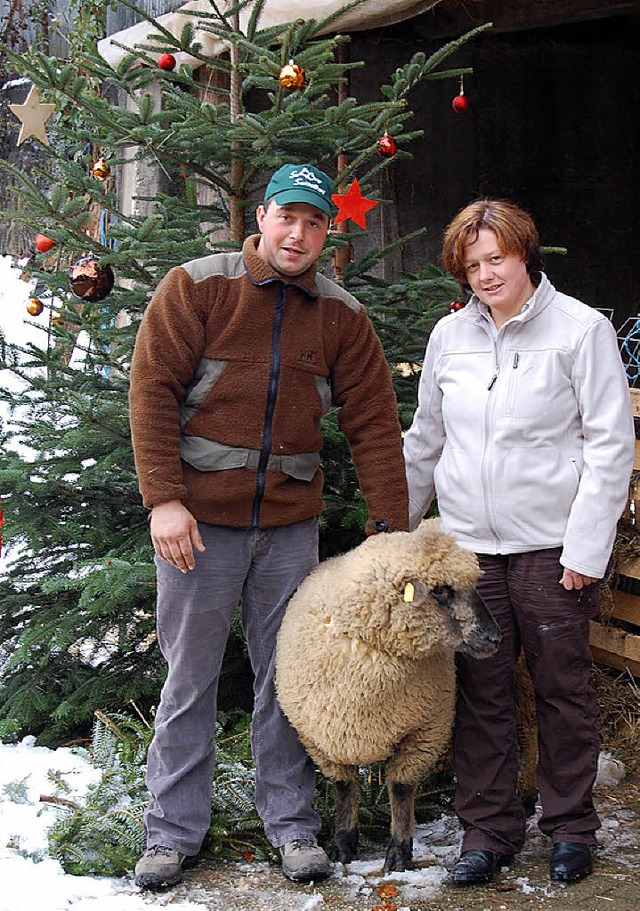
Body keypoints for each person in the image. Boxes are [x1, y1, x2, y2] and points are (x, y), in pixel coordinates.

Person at [128, 163, 409, 889]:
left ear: (327, 234)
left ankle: (292, 826)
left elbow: (375, 421)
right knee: (189, 679)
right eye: (289, 217)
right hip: (197, 528)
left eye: (315, 222)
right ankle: (171, 833)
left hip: (289, 530)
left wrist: (389, 529)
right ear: (262, 217)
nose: (299, 233)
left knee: (287, 679)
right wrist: (164, 498)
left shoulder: (341, 314)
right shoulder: (198, 287)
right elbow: (152, 389)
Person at [403, 198, 634, 886]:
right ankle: (488, 831)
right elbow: (425, 437)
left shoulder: (580, 330)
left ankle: (570, 827)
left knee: (562, 686)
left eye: (495, 258)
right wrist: (396, 530)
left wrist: (586, 549)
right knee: (482, 688)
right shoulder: (451, 337)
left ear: (524, 253)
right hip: (470, 551)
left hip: (552, 549)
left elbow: (609, 444)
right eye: (471, 264)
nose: (483, 273)